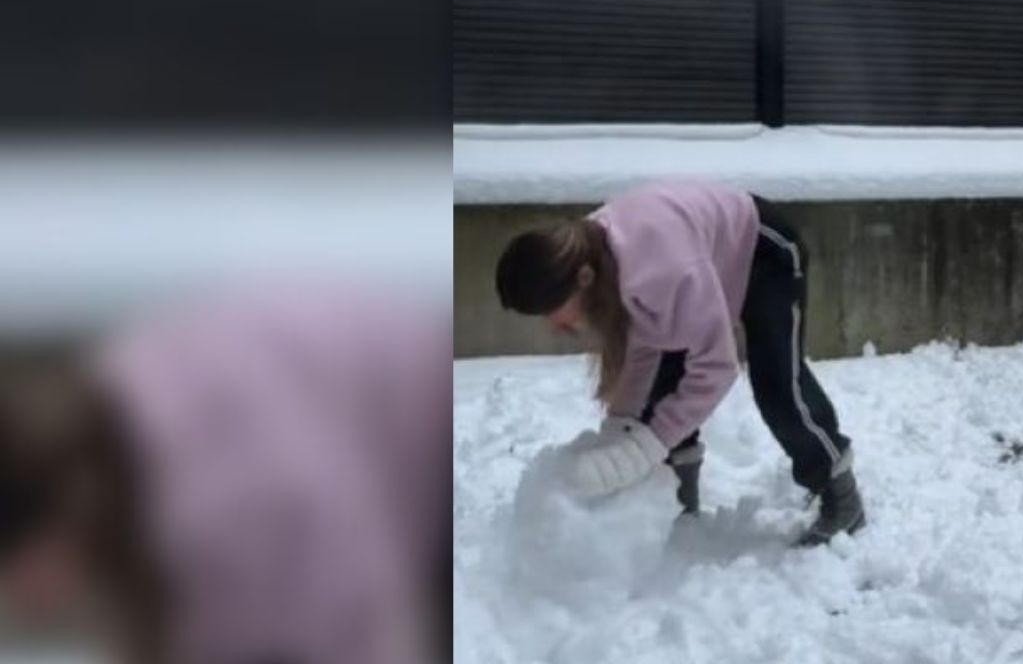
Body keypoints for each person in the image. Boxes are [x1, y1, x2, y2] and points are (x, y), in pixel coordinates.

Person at [0, 295, 452, 664]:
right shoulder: (111, 449)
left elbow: (354, 599)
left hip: (427, 429)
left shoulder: (215, 496)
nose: (20, 603)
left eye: (12, 578)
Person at [494, 179, 864, 546]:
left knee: (778, 383)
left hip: (764, 249)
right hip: (694, 255)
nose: (553, 323)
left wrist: (648, 445)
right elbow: (642, 348)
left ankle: (840, 493)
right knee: (662, 383)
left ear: (583, 280)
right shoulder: (589, 257)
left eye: (552, 309)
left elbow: (717, 366)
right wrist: (620, 428)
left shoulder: (665, 271)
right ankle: (676, 498)